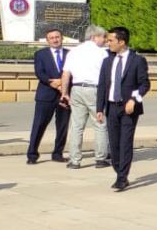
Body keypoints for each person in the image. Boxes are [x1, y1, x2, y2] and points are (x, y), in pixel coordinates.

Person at [96, 26, 149, 192]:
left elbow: (144, 84)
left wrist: (134, 99)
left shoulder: (137, 60)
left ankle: (121, 177)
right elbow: (102, 86)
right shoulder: (107, 61)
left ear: (122, 42)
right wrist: (99, 108)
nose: (107, 43)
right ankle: (119, 170)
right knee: (114, 144)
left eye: (111, 40)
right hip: (111, 107)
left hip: (128, 109)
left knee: (125, 142)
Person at [60, 25, 111, 169]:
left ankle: (74, 160)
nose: (104, 40)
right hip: (95, 89)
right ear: (94, 37)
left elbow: (66, 74)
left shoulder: (73, 52)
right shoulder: (102, 53)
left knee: (76, 126)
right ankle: (100, 158)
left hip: (76, 88)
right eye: (102, 37)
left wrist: (64, 93)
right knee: (100, 124)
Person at [25, 27, 70, 165]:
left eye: (57, 37)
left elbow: (74, 72)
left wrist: (63, 84)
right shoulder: (40, 54)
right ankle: (32, 155)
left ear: (62, 38)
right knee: (39, 125)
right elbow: (40, 73)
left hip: (65, 95)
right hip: (46, 95)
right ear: (47, 40)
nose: (55, 40)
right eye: (52, 38)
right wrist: (55, 84)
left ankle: (58, 153)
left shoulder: (71, 54)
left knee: (63, 126)